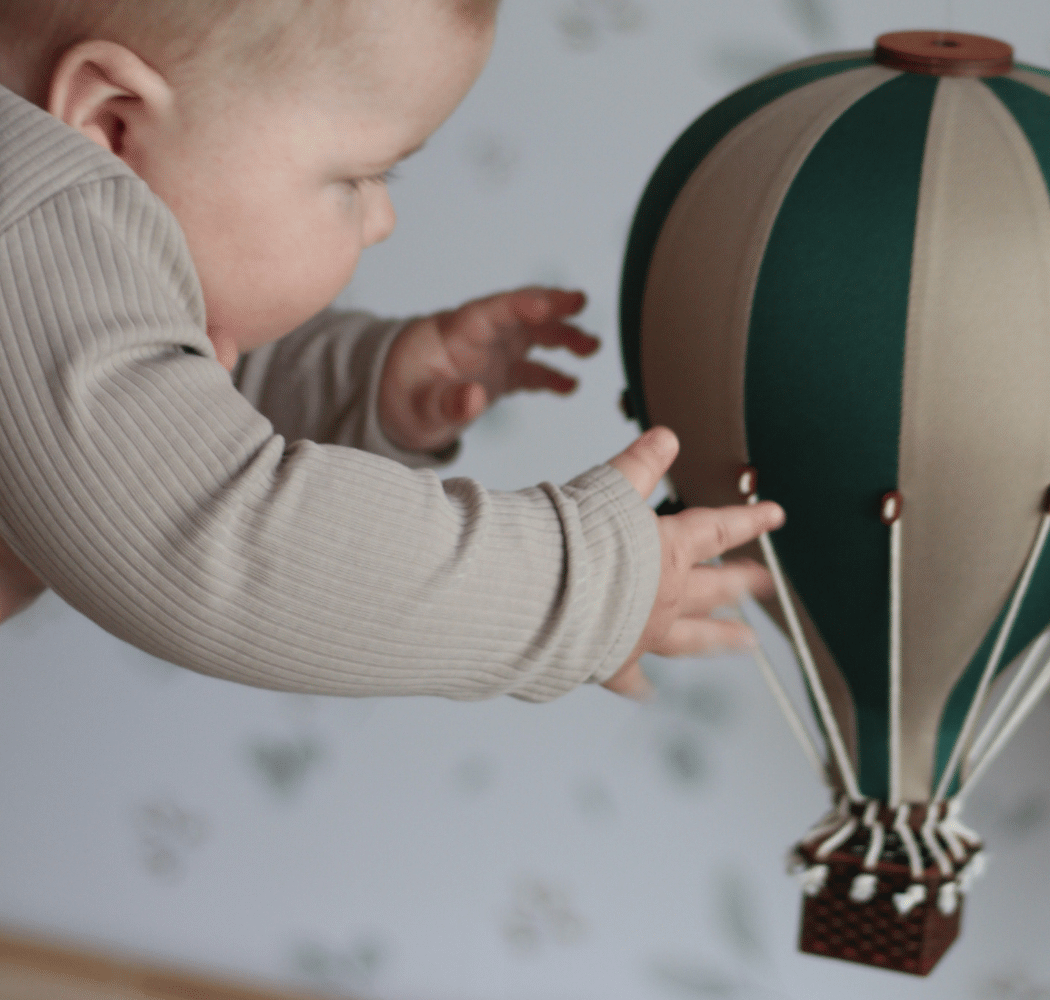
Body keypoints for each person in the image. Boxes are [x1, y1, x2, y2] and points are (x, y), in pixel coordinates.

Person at [0, 0, 784, 701]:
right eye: (358, 178)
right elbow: (212, 532)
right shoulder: (25, 225)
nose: (382, 222)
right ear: (111, 125)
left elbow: (160, 405)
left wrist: (365, 381)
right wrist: (579, 588)